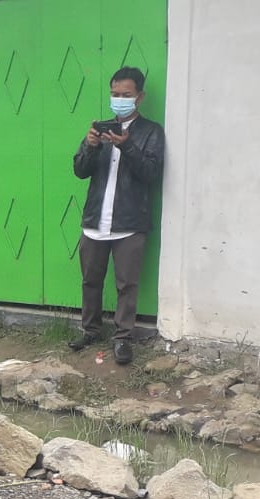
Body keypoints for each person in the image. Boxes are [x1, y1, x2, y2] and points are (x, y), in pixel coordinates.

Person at [71, 66, 165, 365]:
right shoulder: (100, 128)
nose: (119, 99)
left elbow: (151, 173)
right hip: (95, 221)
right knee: (91, 280)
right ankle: (90, 330)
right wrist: (90, 145)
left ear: (139, 97)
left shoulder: (151, 132)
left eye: (126, 95)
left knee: (127, 284)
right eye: (114, 94)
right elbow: (79, 170)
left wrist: (128, 147)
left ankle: (123, 338)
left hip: (129, 223)